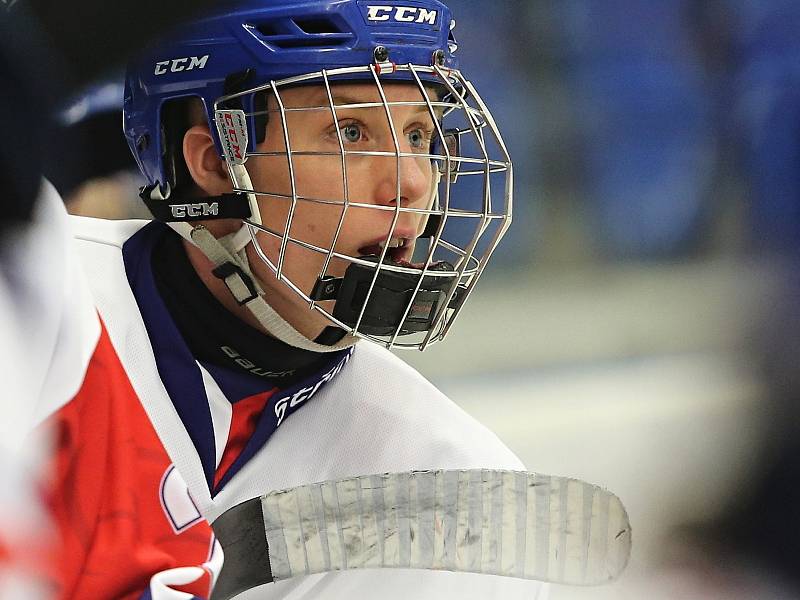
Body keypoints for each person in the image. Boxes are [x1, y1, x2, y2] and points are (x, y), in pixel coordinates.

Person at [42, 1, 542, 598]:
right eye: (352, 132)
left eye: (419, 135)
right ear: (213, 163)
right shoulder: (34, 304)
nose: (410, 184)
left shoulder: (454, 497)